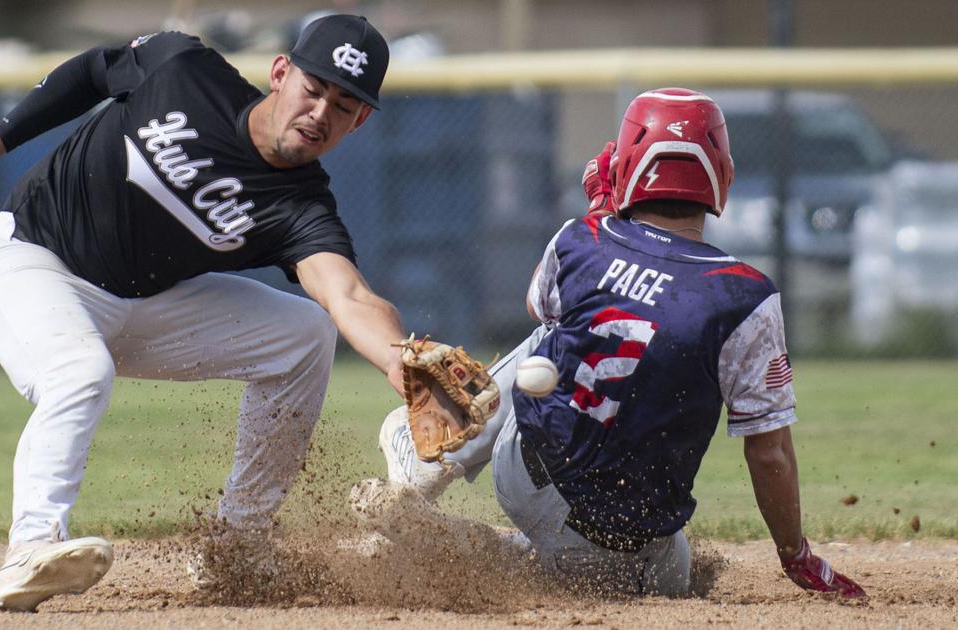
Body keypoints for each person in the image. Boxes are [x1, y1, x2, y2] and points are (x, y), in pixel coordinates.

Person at [0, 15, 407, 612]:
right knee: (80, 370)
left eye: (343, 106)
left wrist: (402, 363)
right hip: (32, 263)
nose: (320, 113)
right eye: (313, 90)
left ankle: (237, 545)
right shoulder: (183, 69)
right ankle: (30, 547)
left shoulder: (301, 208)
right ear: (281, 74)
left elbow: (350, 298)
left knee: (306, 333)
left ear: (359, 121)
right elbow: (90, 73)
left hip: (144, 306)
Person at [356, 87, 866, 599]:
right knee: (662, 574)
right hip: (620, 538)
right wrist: (793, 554)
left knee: (557, 330)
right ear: (723, 179)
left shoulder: (584, 238)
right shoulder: (745, 296)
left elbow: (539, 302)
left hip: (525, 470)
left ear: (622, 169)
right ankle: (475, 550)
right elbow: (769, 450)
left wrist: (601, 208)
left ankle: (432, 477)